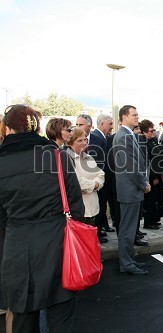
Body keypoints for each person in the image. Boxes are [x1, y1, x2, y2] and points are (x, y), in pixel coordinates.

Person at [0, 104, 84, 332]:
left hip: (17, 248)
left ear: (7, 129)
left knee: (22, 319)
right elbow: (76, 208)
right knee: (61, 319)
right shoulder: (57, 157)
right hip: (57, 245)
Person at [112, 105, 150, 276]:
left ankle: (129, 260)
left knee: (130, 228)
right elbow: (131, 166)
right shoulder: (123, 136)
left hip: (131, 189)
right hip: (130, 189)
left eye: (137, 114)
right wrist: (144, 183)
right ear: (124, 117)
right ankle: (127, 263)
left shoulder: (128, 134)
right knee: (127, 229)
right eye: (134, 115)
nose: (137, 117)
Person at [66, 128, 105, 226]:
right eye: (79, 140)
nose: (84, 143)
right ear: (70, 143)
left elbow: (101, 175)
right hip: (79, 210)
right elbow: (78, 183)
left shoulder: (88, 157)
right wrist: (95, 184)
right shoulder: (67, 158)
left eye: (85, 139)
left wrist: (94, 184)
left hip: (92, 209)